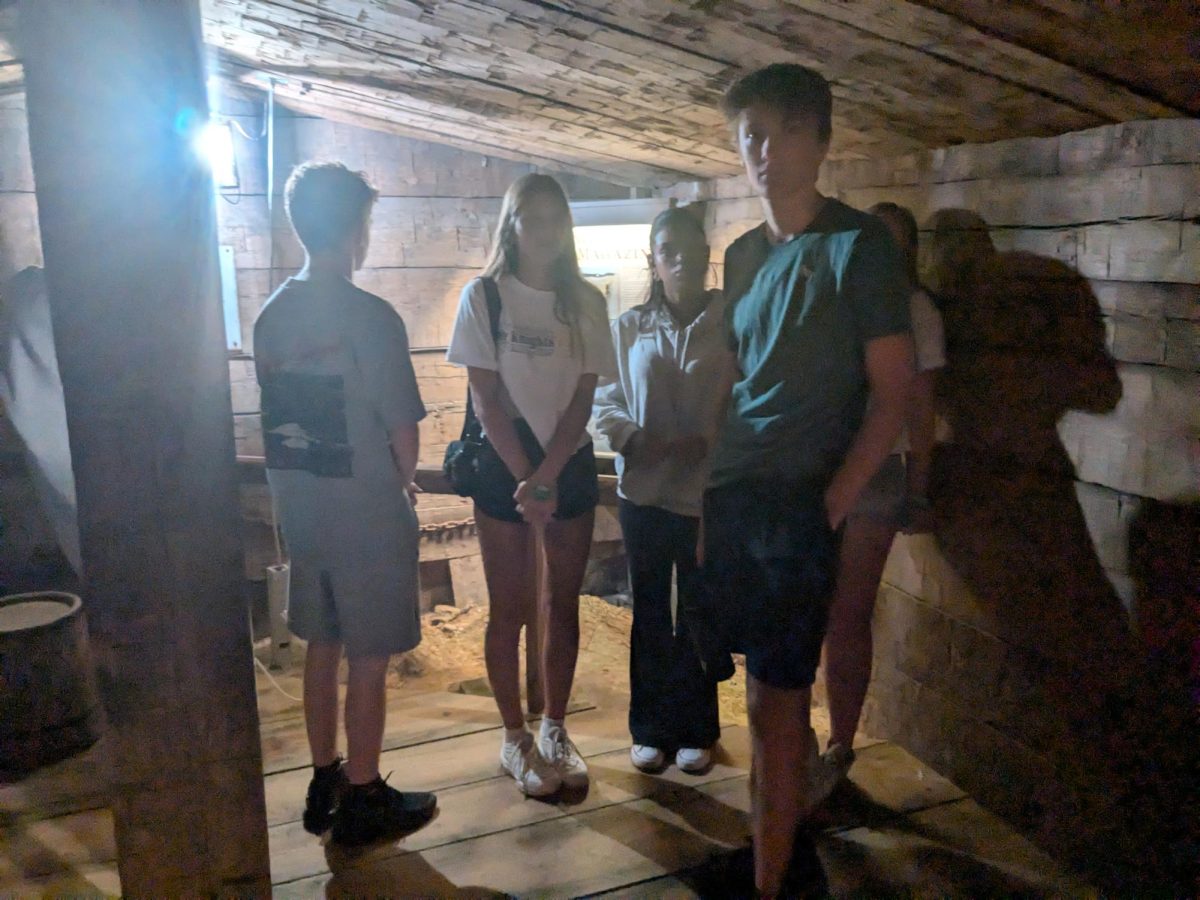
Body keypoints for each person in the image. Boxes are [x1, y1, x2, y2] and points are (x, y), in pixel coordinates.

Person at [707, 64, 915, 897]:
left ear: (820, 140)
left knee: (785, 695)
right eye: (750, 133)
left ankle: (777, 879)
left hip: (800, 502)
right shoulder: (745, 253)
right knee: (759, 697)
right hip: (738, 496)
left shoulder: (857, 247)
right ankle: (772, 852)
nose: (763, 150)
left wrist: (832, 501)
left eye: (783, 130)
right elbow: (736, 377)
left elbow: (895, 391)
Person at [254, 162, 436, 847]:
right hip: (365, 511)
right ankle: (363, 793)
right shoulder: (371, 318)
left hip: (301, 508)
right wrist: (400, 481)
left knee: (321, 642)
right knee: (368, 654)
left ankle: (324, 774)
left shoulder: (270, 317)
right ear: (357, 228)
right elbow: (403, 434)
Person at [446, 173, 615, 797]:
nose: (545, 231)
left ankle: (554, 726)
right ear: (511, 224)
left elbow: (584, 394)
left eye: (555, 219)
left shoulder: (586, 301)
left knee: (561, 604)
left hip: (564, 463)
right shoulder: (484, 297)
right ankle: (513, 737)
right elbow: (485, 398)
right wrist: (526, 477)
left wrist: (547, 477)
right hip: (504, 466)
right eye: (532, 218)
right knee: (511, 607)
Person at [593, 206, 731, 775]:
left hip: (706, 494)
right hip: (645, 492)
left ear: (704, 252)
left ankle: (698, 728)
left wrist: (715, 446)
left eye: (690, 245)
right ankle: (650, 727)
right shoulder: (627, 328)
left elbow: (746, 397)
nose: (680, 256)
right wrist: (631, 438)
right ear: (654, 258)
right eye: (667, 247)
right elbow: (605, 398)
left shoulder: (730, 323)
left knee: (699, 610)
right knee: (650, 609)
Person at [821, 201, 946, 775]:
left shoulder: (915, 310)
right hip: (820, 465)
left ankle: (839, 742)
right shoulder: (835, 299)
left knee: (848, 610)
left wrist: (917, 488)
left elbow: (920, 407)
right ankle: (801, 729)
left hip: (876, 474)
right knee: (810, 603)